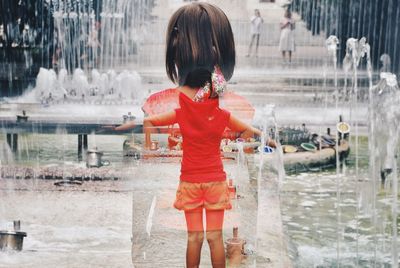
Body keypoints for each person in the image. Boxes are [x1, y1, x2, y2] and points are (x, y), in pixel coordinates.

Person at [112, 3, 274, 267]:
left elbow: (144, 185)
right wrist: (242, 242)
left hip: (170, 216)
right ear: (224, 51)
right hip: (223, 219)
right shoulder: (238, 108)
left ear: (176, 54)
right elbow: (246, 184)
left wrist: (138, 242)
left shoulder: (158, 106)